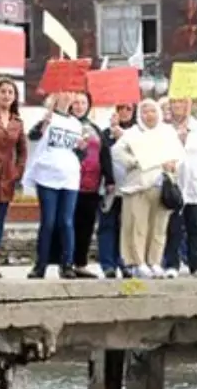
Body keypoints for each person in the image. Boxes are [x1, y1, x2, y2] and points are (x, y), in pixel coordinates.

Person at [114, 99, 183, 278]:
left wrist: (173, 164)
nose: (149, 115)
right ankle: (138, 262)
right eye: (145, 112)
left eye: (152, 111)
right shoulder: (132, 133)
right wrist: (134, 162)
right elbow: (117, 152)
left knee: (159, 227)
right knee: (138, 226)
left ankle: (155, 261)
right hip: (138, 186)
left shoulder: (167, 132)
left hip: (161, 185)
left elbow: (179, 154)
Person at [26, 92, 91, 279]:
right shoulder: (48, 117)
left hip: (69, 177)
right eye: (64, 94)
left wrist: (81, 148)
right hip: (47, 175)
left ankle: (67, 264)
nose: (68, 97)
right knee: (48, 221)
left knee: (66, 221)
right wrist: (44, 124)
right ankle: (41, 265)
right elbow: (33, 137)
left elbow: (80, 154)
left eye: (71, 95)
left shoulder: (76, 124)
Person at [164, 97, 197, 278]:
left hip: (196, 182)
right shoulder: (165, 128)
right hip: (175, 183)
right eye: (175, 102)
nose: (179, 106)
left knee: (196, 225)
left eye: (182, 102)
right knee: (173, 227)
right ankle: (171, 264)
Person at [0, 78, 27, 278]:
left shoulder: (17, 123)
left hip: (7, 177)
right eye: (3, 91)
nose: (6, 95)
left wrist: (18, 171)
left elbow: (23, 151)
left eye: (10, 92)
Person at [69, 92, 114, 272]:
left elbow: (105, 155)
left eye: (83, 102)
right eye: (76, 103)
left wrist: (109, 178)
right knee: (68, 223)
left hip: (92, 185)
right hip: (70, 183)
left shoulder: (95, 128)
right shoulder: (65, 125)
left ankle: (81, 263)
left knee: (86, 225)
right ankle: (67, 262)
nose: (79, 106)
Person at [99, 103, 136, 278]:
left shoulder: (138, 132)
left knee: (126, 227)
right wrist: (112, 134)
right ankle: (108, 264)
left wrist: (123, 138)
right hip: (110, 187)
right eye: (121, 108)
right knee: (107, 225)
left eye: (128, 109)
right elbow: (102, 155)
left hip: (130, 186)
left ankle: (125, 262)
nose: (124, 112)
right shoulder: (106, 133)